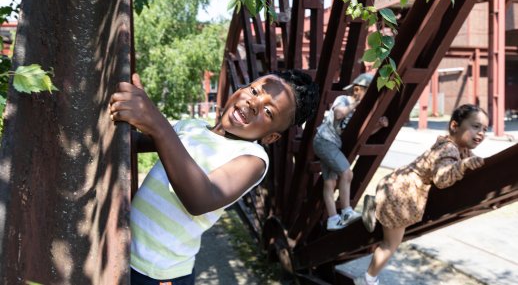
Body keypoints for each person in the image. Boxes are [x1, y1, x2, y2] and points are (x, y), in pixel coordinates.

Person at [109, 69, 319, 285]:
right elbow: (135, 142)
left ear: (271, 136)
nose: (254, 103)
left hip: (159, 273)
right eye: (254, 90)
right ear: (241, 89)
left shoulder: (252, 158)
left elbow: (201, 199)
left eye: (268, 110)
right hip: (123, 248)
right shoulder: (192, 126)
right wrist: (137, 116)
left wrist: (157, 123)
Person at [357, 104, 488, 285]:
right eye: (476, 126)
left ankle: (376, 204)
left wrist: (469, 163)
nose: (481, 132)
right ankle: (367, 280)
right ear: (454, 126)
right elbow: (442, 178)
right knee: (390, 244)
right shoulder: (449, 149)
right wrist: (464, 166)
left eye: (484, 129)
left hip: (395, 183)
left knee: (390, 238)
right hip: (401, 195)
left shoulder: (458, 148)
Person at [313, 73, 388, 231]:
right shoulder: (343, 100)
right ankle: (346, 212)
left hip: (331, 144)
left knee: (329, 182)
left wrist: (379, 126)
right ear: (356, 90)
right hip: (325, 141)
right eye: (368, 92)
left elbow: (361, 133)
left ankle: (333, 219)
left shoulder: (358, 109)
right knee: (347, 174)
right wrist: (356, 103)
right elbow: (339, 114)